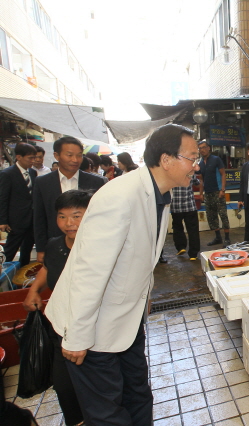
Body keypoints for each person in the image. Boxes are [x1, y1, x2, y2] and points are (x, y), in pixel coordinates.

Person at [44, 124, 199, 426]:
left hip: (125, 320)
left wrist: (146, 295)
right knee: (107, 412)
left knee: (138, 395)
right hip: (91, 328)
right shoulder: (120, 196)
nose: (196, 165)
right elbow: (90, 271)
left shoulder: (159, 195)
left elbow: (141, 256)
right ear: (166, 159)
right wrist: (76, 337)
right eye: (192, 158)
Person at [23, 190, 93, 426]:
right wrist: (34, 291)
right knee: (64, 388)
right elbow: (47, 270)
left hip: (92, 335)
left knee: (95, 390)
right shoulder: (54, 245)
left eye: (76, 215)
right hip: (60, 331)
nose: (68, 223)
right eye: (62, 216)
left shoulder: (99, 249)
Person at [32, 137, 105, 263]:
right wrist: (41, 249)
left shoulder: (96, 182)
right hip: (55, 244)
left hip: (87, 244)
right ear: (56, 155)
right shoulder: (42, 182)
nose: (75, 160)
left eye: (79, 155)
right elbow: (39, 217)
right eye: (69, 155)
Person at [0, 143, 37, 266]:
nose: (33, 161)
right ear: (19, 157)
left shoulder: (32, 172)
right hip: (16, 220)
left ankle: (22, 274)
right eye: (30, 158)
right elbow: (3, 198)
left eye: (34, 157)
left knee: (27, 250)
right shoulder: (7, 174)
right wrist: (3, 221)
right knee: (10, 250)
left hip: (31, 218)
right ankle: (5, 274)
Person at [197, 141, 231, 246]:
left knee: (223, 215)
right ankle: (218, 238)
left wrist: (222, 189)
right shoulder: (200, 164)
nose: (202, 150)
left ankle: (227, 239)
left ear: (209, 148)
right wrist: (201, 193)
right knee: (211, 216)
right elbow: (201, 180)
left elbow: (223, 174)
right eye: (200, 148)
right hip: (208, 193)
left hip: (218, 192)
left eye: (204, 147)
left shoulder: (216, 160)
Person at [171, 175, 201, 260]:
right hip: (189, 206)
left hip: (176, 206)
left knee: (177, 228)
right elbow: (197, 183)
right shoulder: (189, 172)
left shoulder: (172, 173)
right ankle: (193, 254)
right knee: (193, 230)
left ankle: (181, 247)